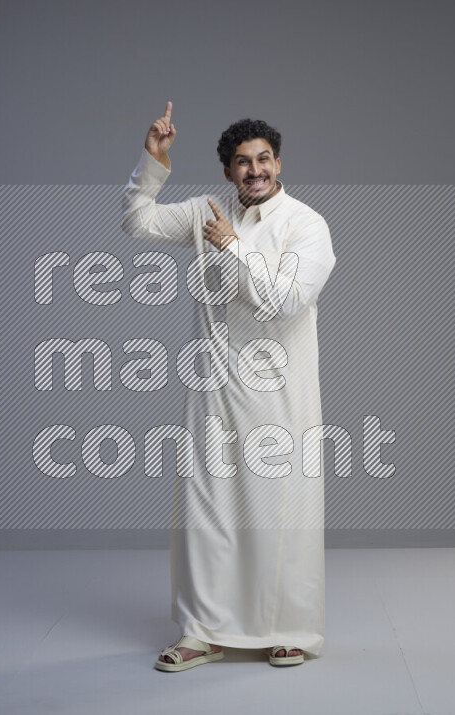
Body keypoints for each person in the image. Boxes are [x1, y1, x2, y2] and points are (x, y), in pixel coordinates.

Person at [120, 102, 336, 671]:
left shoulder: (306, 225)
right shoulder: (205, 212)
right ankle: (202, 631)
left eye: (264, 159)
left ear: (279, 163)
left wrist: (231, 247)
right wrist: (154, 162)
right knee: (206, 510)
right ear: (227, 172)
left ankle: (289, 627)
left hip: (279, 393)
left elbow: (285, 301)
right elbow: (137, 222)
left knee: (279, 509)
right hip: (213, 389)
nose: (255, 170)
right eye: (242, 162)